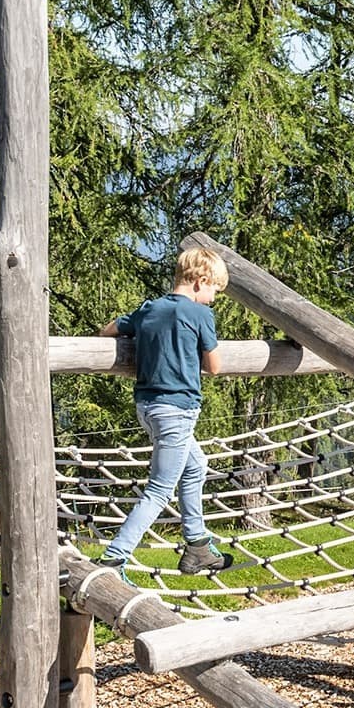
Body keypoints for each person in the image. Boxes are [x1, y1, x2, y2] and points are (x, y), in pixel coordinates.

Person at [98, 243, 233, 581]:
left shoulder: (150, 308)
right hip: (178, 410)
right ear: (201, 281)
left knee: (196, 465)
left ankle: (197, 544)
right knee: (159, 491)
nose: (213, 299)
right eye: (215, 291)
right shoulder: (200, 314)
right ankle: (113, 559)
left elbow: (110, 330)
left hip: (148, 407)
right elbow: (214, 366)